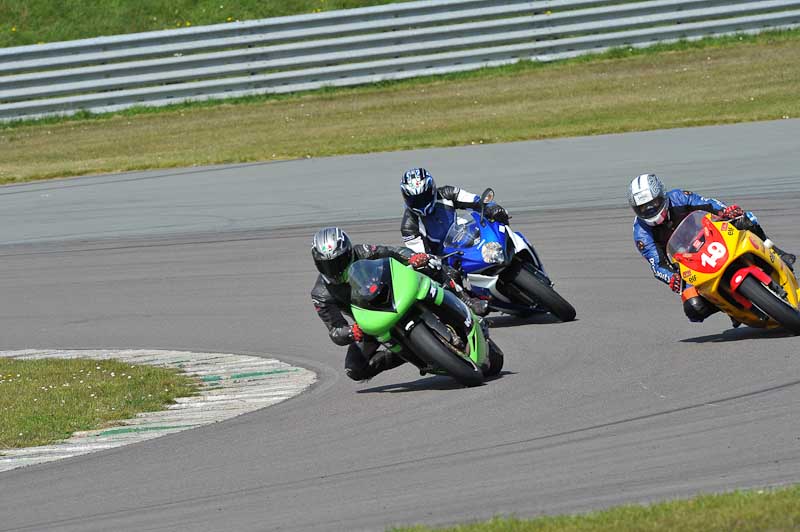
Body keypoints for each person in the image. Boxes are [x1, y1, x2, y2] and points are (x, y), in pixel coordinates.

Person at [310, 226, 483, 381]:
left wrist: (413, 258)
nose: (335, 269)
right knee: (354, 369)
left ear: (348, 252)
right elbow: (335, 330)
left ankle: (464, 299)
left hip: (393, 293)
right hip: (370, 322)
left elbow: (393, 252)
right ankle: (413, 354)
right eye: (327, 265)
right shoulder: (321, 294)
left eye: (338, 262)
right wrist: (351, 332)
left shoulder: (363, 251)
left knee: (430, 265)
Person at [629, 173, 796, 323]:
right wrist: (672, 277)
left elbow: (708, 204)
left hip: (710, 236)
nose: (649, 209)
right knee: (694, 308)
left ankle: (774, 250)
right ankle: (729, 307)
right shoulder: (641, 234)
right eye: (643, 208)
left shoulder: (679, 197)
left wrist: (725, 211)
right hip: (687, 264)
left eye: (653, 203)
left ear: (662, 195)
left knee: (744, 219)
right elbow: (657, 265)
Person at [400, 167, 510, 256]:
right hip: (445, 259)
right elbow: (420, 255)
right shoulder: (408, 226)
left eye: (424, 197)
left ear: (432, 189)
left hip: (466, 237)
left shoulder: (447, 193)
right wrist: (430, 262)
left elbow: (476, 201)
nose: (421, 202)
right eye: (415, 200)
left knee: (501, 230)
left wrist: (492, 208)